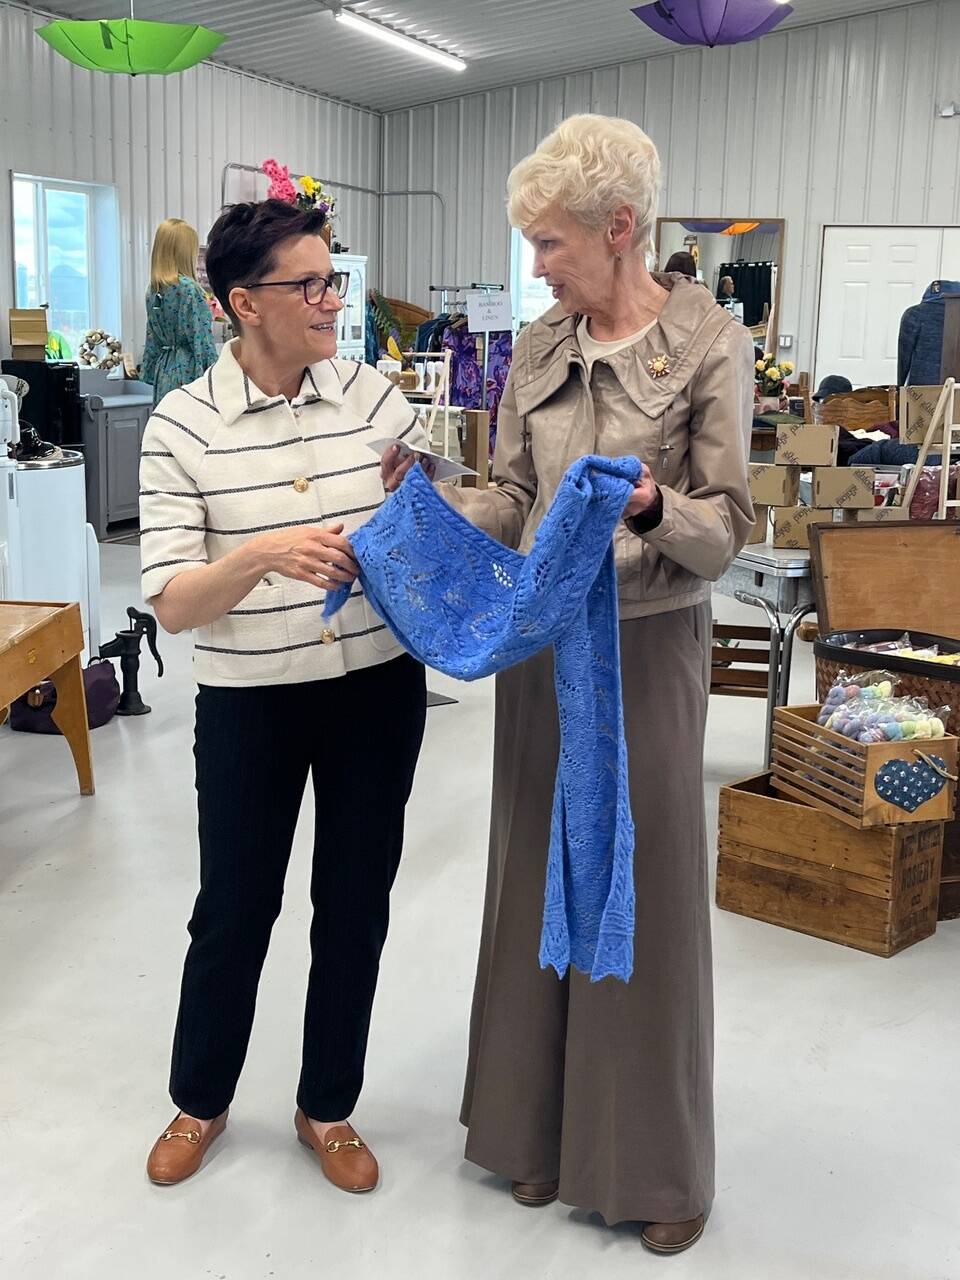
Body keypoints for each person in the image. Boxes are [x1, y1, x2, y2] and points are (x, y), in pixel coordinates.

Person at [384, 113, 754, 1255]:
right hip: (541, 649)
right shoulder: (542, 347)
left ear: (619, 228)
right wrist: (432, 505)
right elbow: (509, 495)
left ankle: (653, 1165)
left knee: (636, 888)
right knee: (529, 868)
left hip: (644, 651)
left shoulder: (709, 343)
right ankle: (533, 1139)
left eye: (550, 242)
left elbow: (728, 528)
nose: (536, 266)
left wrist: (651, 505)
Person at [141, 199, 431, 1191]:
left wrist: (429, 492)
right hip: (250, 700)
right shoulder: (182, 427)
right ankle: (200, 1097)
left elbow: (427, 507)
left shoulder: (374, 396)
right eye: (306, 284)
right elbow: (175, 603)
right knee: (234, 904)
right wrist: (262, 553)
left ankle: (328, 1103)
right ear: (240, 305)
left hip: (377, 692)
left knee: (356, 900)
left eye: (331, 278)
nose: (330, 301)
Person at [142, 218, 218, 405]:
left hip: (164, 369)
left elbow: (151, 339)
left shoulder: (153, 290)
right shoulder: (189, 289)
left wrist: (149, 372)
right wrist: (215, 375)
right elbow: (201, 339)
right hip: (188, 371)